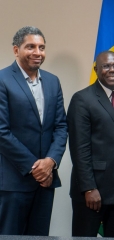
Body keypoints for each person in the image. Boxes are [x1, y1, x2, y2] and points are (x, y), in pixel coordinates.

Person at [67, 51, 114, 237]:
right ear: (96, 69)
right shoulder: (82, 99)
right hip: (93, 192)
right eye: (106, 66)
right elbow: (79, 148)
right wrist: (89, 188)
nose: (112, 70)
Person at [0, 26, 68, 235]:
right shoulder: (2, 80)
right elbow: (2, 131)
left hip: (45, 182)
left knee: (40, 237)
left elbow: (61, 126)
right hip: (14, 181)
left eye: (41, 47)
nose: (37, 52)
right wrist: (35, 167)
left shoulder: (52, 81)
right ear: (16, 50)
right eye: (30, 47)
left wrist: (50, 162)